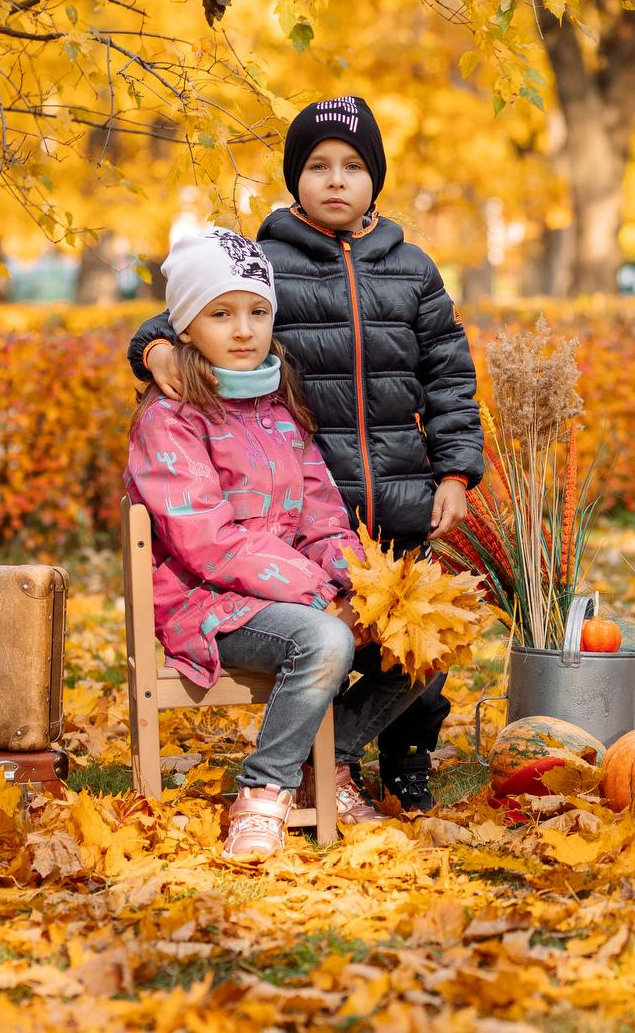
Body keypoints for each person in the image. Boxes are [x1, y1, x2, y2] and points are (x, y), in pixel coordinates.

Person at [129, 96, 483, 811]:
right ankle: (309, 771)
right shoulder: (268, 265)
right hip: (309, 505)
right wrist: (153, 345)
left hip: (395, 497)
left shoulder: (412, 268)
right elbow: (196, 310)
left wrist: (453, 468)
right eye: (317, 166)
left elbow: (449, 370)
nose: (335, 180)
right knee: (335, 634)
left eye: (353, 166)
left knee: (422, 643)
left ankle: (389, 765)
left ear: (374, 180)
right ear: (296, 179)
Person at [124, 228, 428, 859]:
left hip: (287, 596)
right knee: (325, 637)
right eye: (221, 313)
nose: (243, 330)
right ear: (183, 328)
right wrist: (323, 598)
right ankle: (264, 791)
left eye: (258, 312)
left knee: (417, 640)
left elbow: (320, 516)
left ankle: (331, 762)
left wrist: (364, 585)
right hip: (205, 603)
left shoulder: (276, 407)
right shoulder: (171, 419)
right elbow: (209, 541)